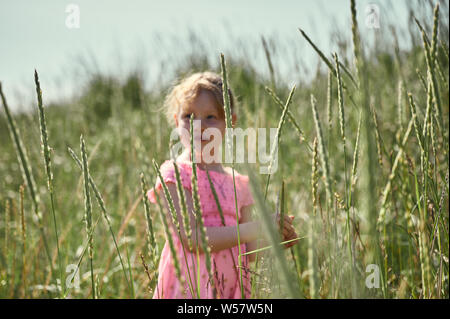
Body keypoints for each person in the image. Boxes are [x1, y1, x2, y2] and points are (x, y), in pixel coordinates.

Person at [148, 71, 298, 299]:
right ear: (177, 121)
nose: (199, 125)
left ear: (230, 123)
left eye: (210, 117)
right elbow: (193, 239)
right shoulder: (176, 175)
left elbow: (248, 250)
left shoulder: (239, 183)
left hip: (230, 291)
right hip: (189, 290)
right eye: (189, 116)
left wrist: (273, 238)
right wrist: (258, 227)